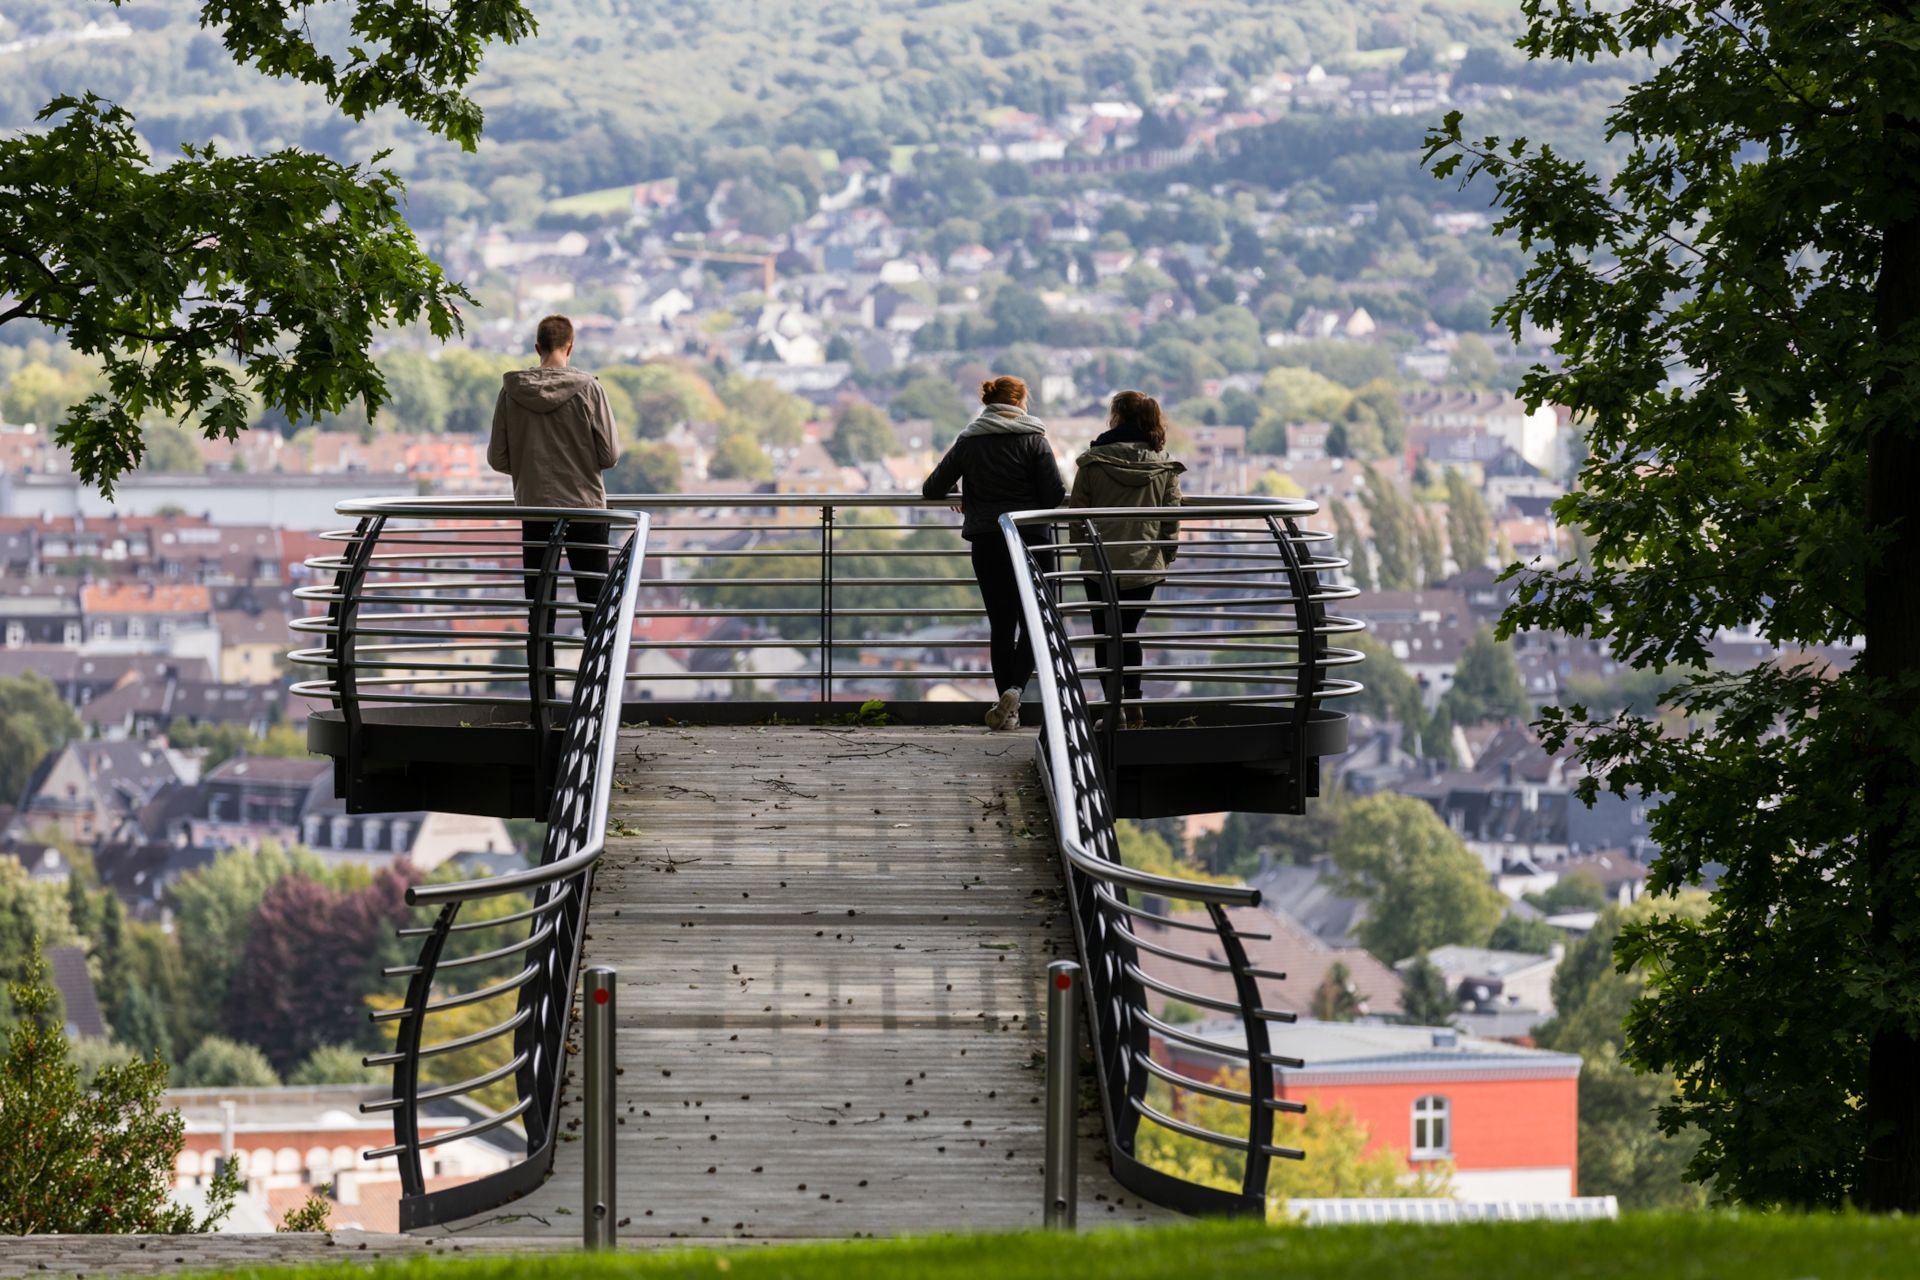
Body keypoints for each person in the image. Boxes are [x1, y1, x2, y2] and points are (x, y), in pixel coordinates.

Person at [922, 375, 1066, 731]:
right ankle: (1015, 691)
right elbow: (1054, 496)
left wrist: (962, 492)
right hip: (1031, 539)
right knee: (1037, 621)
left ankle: (1008, 708)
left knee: (1002, 625)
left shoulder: (969, 441)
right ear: (1020, 403)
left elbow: (932, 488)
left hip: (987, 540)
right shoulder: (1034, 439)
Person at [1067, 390, 1185, 728]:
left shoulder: (1093, 462)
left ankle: (1112, 709)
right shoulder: (1164, 465)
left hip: (1100, 564)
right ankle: (1134, 706)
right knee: (1129, 632)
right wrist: (1166, 555)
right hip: (1144, 564)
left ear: (1116, 417)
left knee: (1105, 634)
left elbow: (1078, 513)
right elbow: (1170, 518)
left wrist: (1084, 551)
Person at [487, 314, 621, 609]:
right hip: (585, 508)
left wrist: (528, 467)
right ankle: (595, 655)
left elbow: (497, 457)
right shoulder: (590, 391)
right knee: (594, 601)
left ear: (538, 348)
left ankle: (541, 656)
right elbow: (609, 455)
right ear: (570, 347)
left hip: (534, 508)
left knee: (540, 602)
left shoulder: (511, 393)